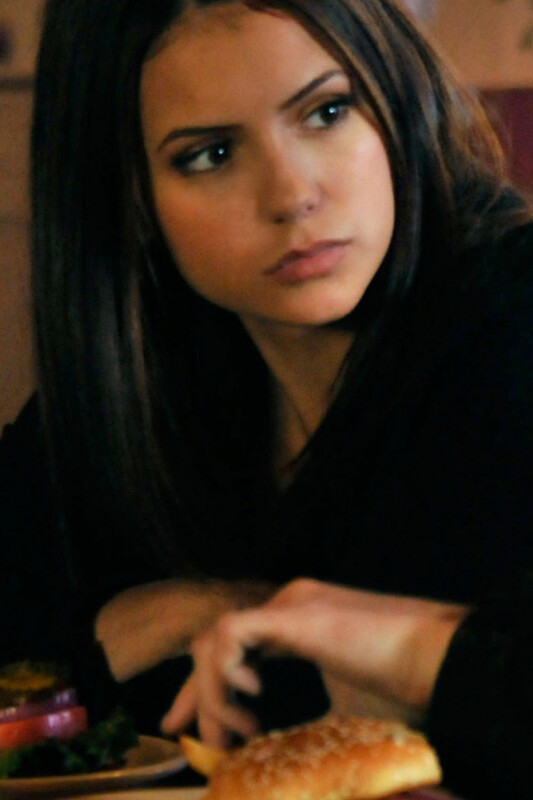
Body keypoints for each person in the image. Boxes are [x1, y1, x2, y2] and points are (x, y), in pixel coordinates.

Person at [30, 0, 533, 797]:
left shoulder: (514, 320)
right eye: (210, 154)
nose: (291, 194)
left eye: (327, 112)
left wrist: (410, 648)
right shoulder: (141, 386)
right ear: (129, 198)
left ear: (393, 96)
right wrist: (163, 617)